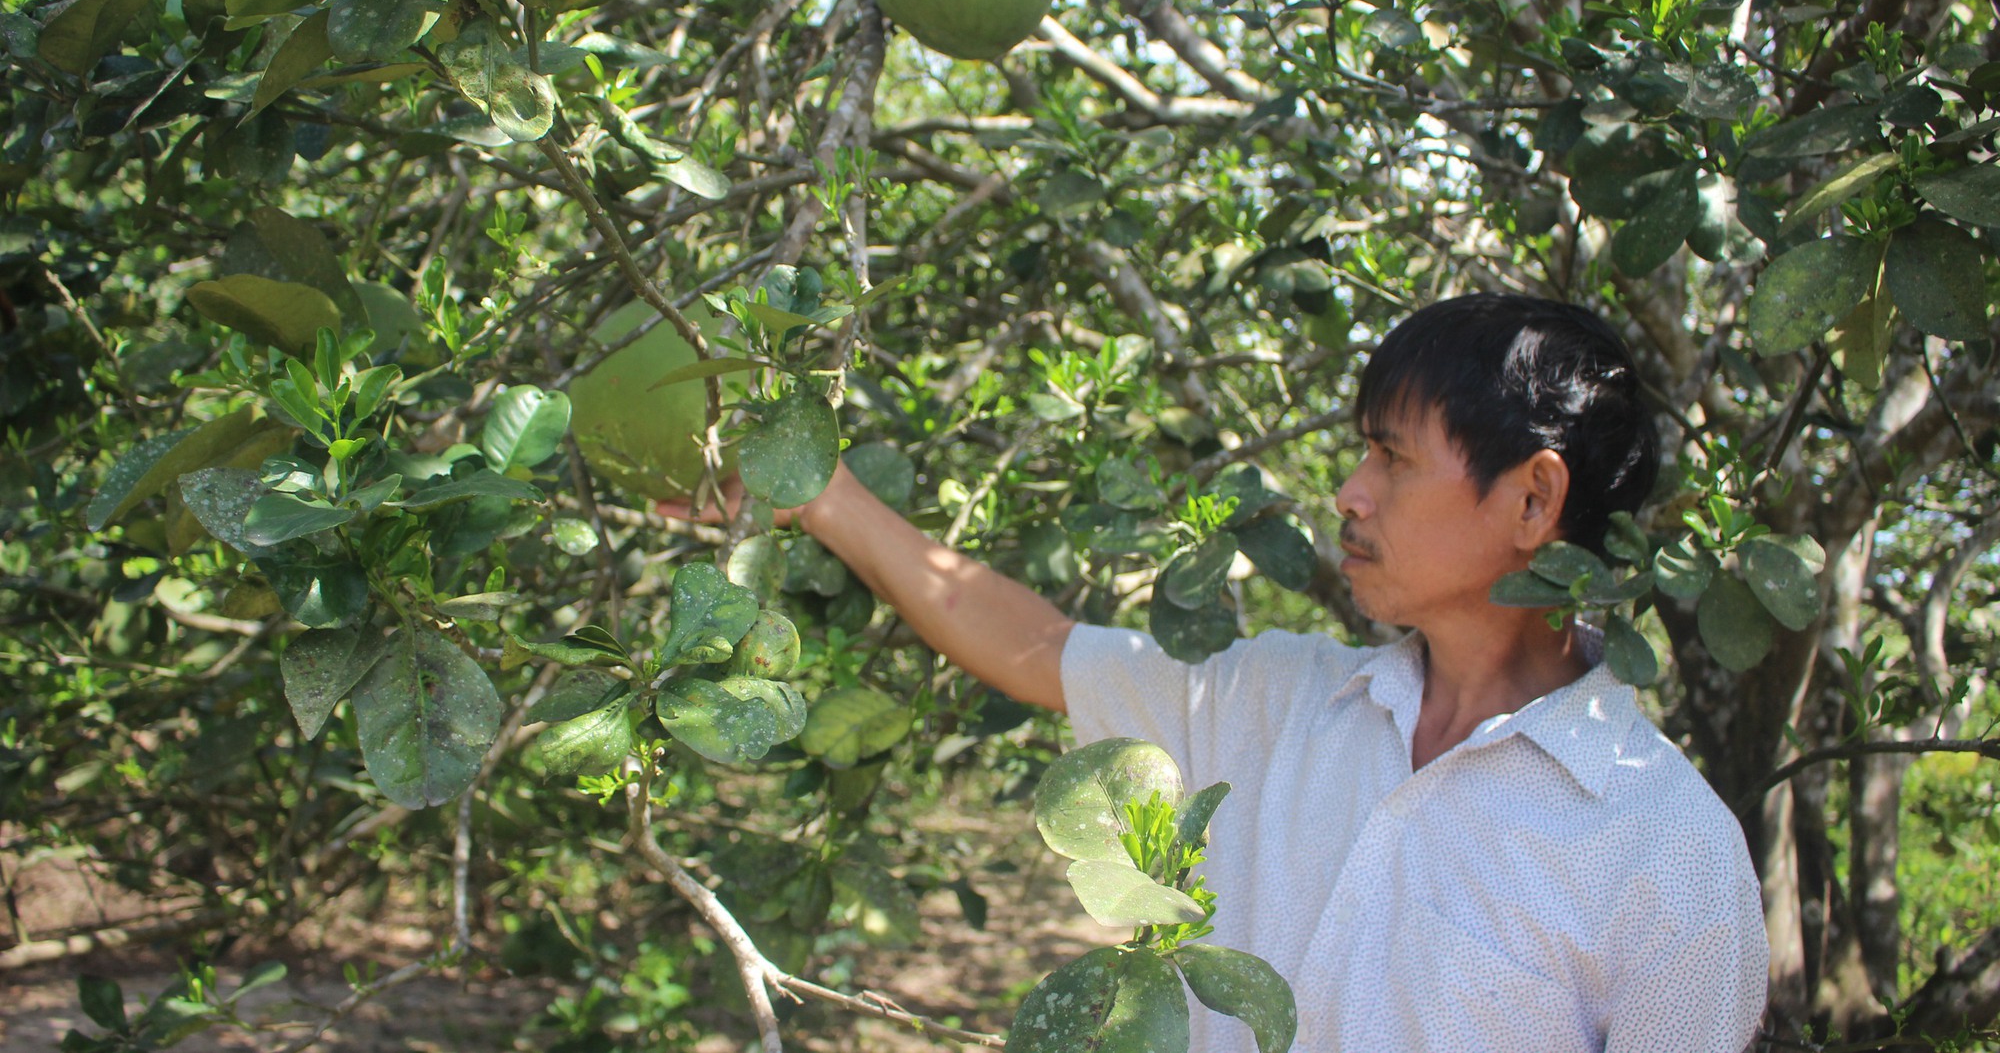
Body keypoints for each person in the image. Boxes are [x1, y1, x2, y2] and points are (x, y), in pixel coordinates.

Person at [678, 292, 1769, 1052]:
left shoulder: (1662, 848)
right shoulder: (1281, 702)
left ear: (1531, 500)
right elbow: (1040, 649)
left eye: (1389, 456)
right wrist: (813, 487)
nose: (1346, 490)